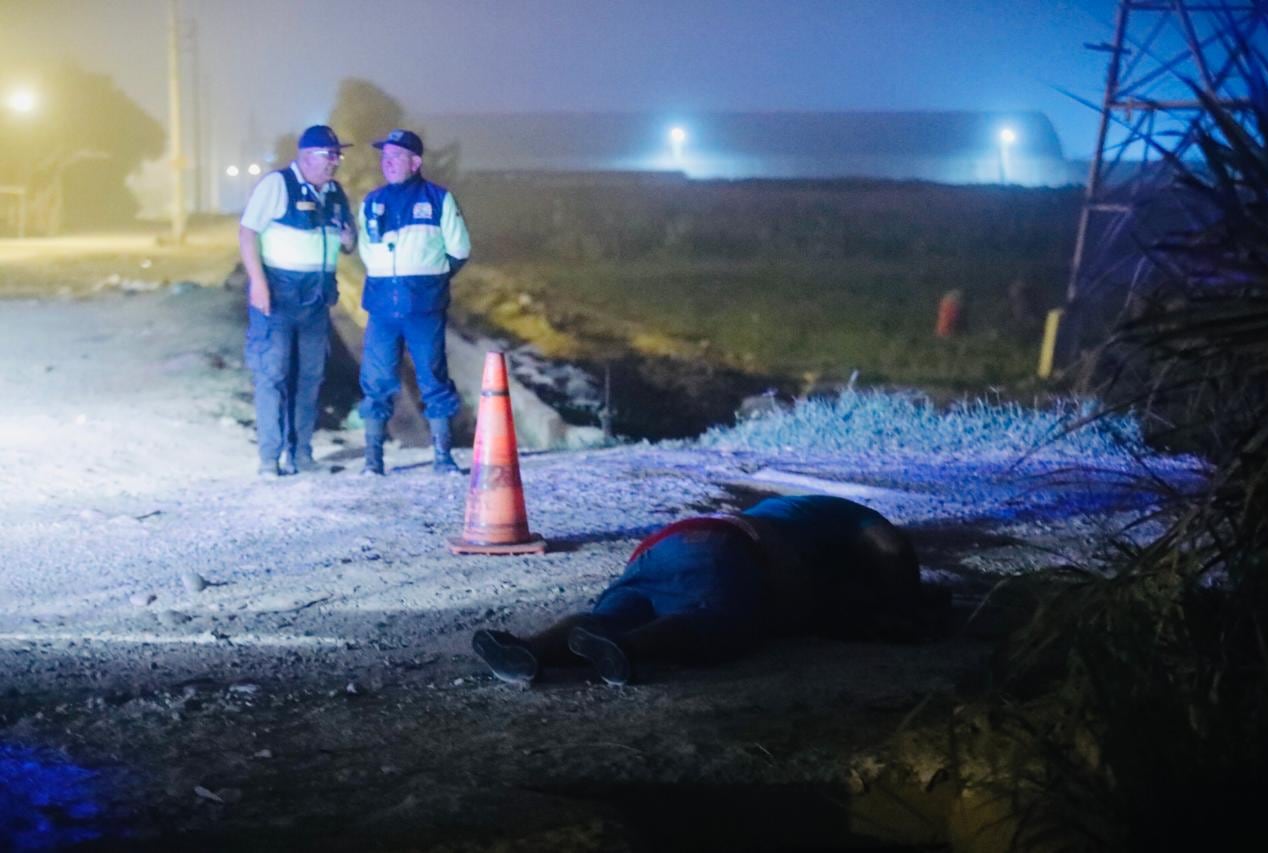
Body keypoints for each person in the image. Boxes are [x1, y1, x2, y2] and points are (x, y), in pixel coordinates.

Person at [472, 495, 949, 686]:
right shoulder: (848, 516)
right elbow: (887, 545)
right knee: (718, 622)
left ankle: (528, 650)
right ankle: (630, 648)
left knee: (616, 612)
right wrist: (905, 600)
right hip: (725, 549)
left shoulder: (791, 514)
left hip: (662, 546)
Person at [238, 125, 355, 477]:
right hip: (278, 295)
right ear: (305, 156)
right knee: (271, 375)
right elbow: (247, 232)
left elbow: (349, 244)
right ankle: (269, 459)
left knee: (309, 377)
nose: (335, 162)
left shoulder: (334, 193)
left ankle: (301, 455)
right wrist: (258, 283)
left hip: (316, 298)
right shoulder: (277, 185)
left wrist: (349, 236)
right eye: (328, 155)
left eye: (337, 155)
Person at [356, 129, 471, 476]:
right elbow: (365, 250)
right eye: (384, 156)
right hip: (381, 308)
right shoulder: (371, 202)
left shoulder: (438, 199)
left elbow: (459, 250)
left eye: (396, 156)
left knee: (433, 377)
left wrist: (430, 280)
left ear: (416, 161)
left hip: (423, 309)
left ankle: (443, 456)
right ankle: (373, 460)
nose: (387, 162)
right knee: (375, 380)